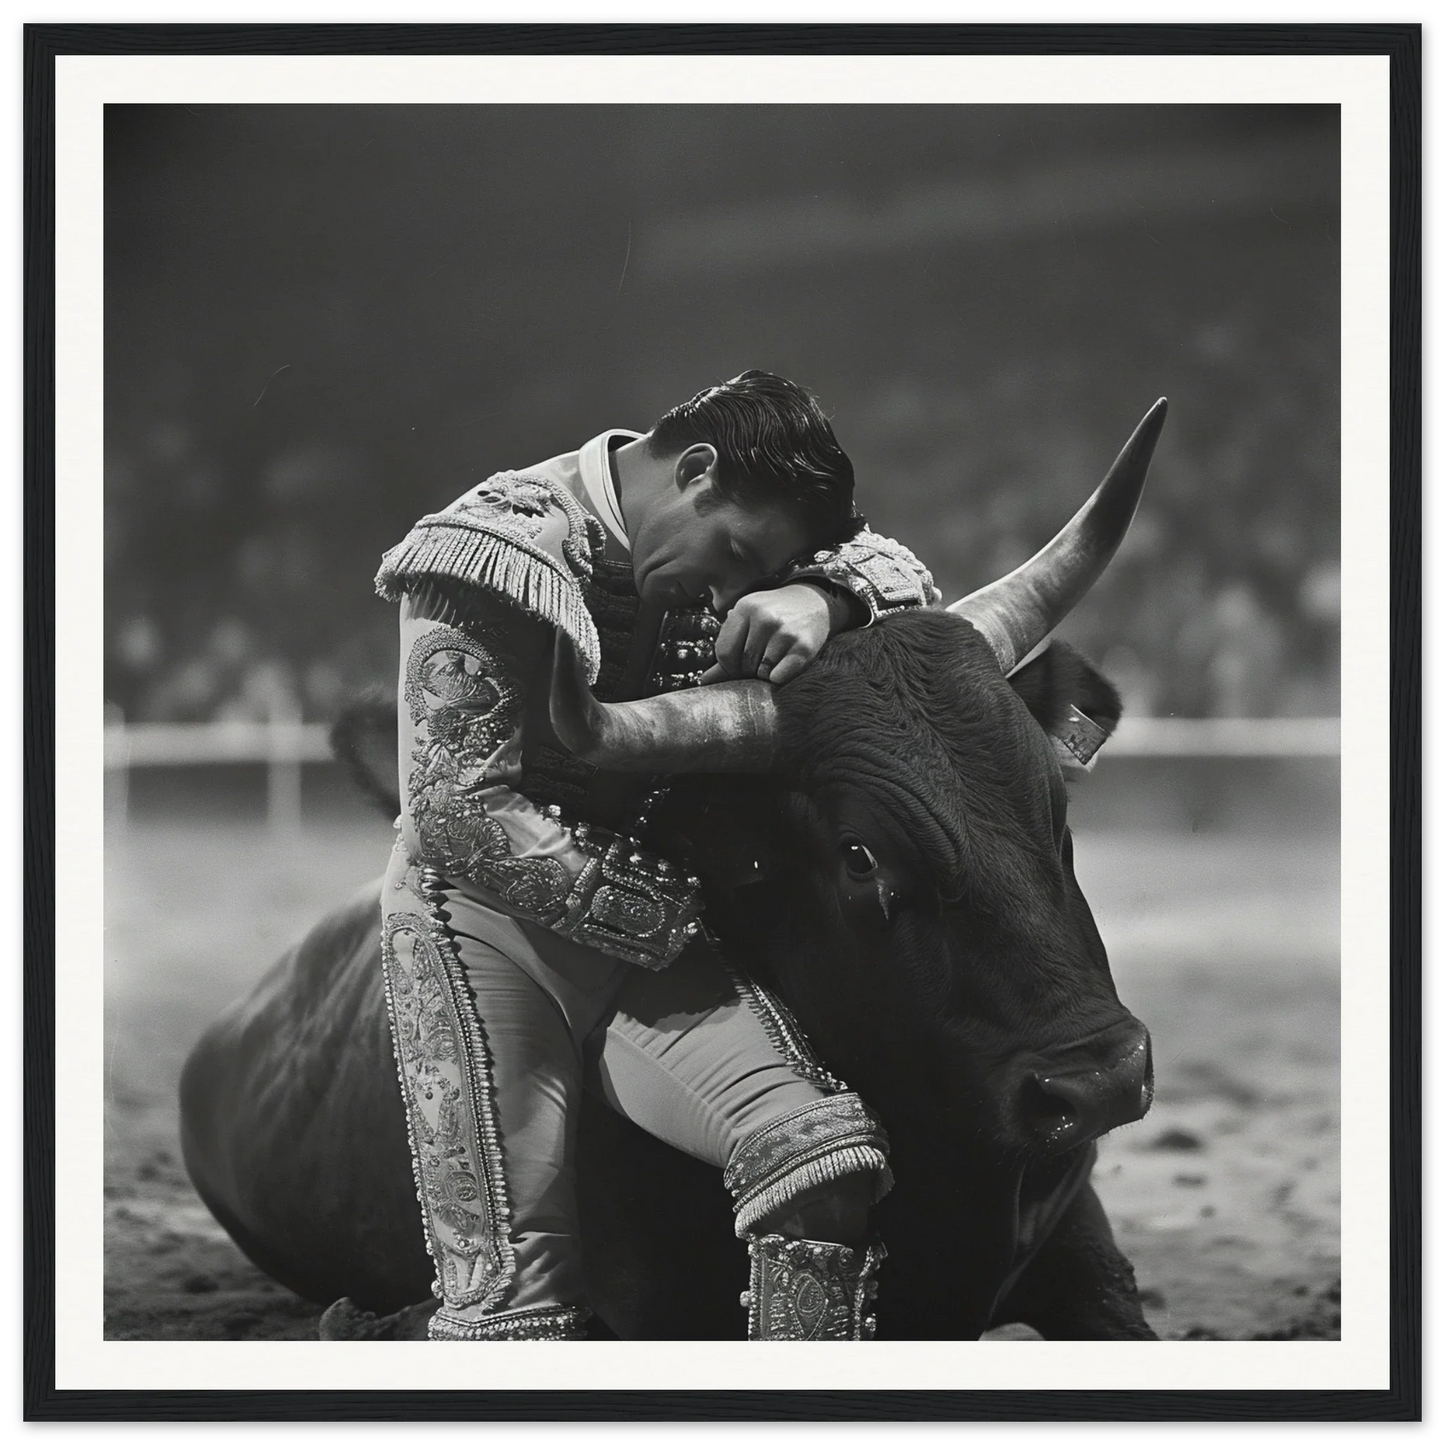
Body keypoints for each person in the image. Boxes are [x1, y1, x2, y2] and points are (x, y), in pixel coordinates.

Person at [372, 371, 939, 1341]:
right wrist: (678, 917)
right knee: (512, 1303)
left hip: (643, 921)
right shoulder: (495, 542)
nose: (728, 592)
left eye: (751, 572)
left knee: (824, 1159)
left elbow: (906, 577)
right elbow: (458, 811)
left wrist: (821, 595)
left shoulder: (749, 541)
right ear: (696, 472)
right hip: (477, 926)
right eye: (731, 553)